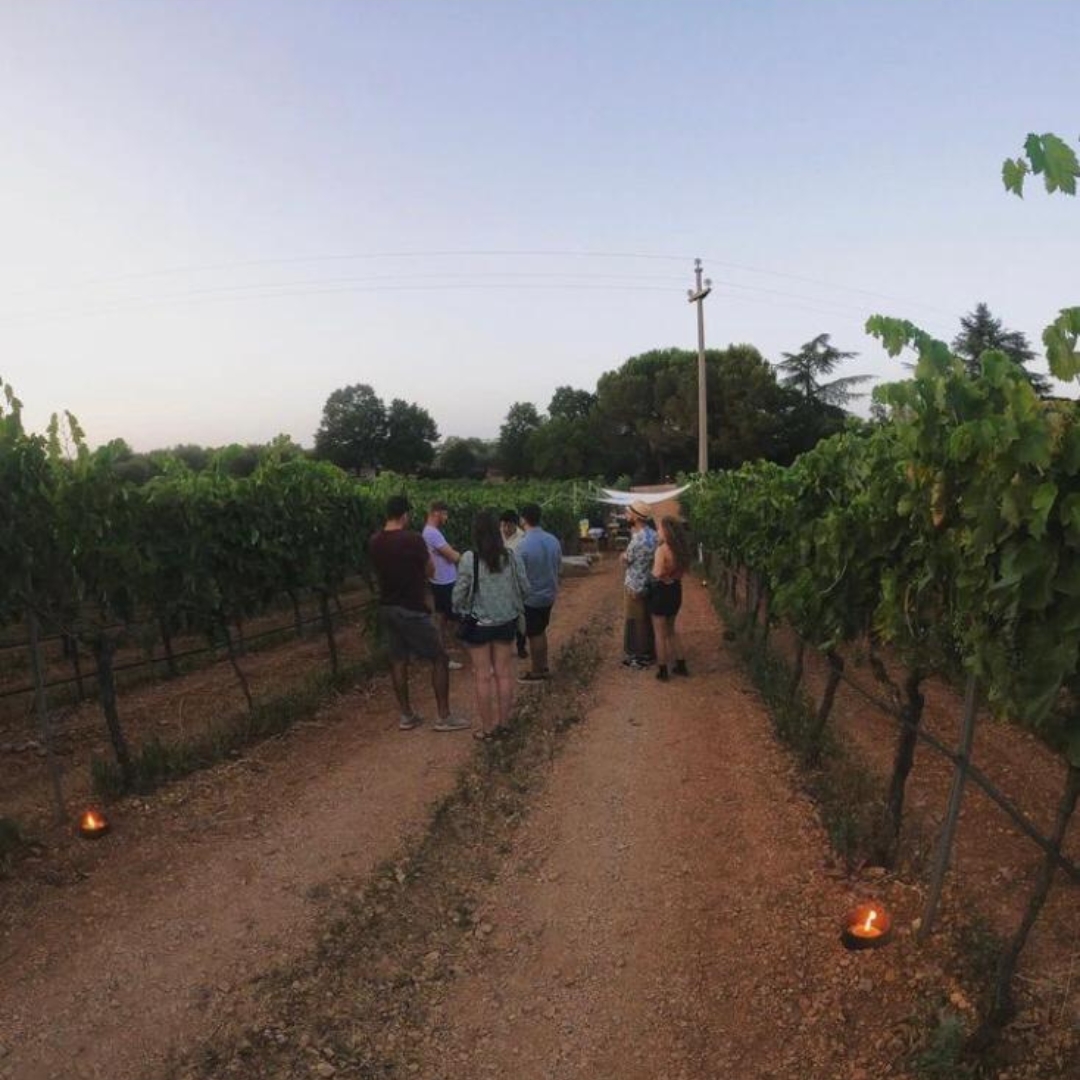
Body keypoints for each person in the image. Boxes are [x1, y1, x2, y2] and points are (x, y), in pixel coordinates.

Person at [368, 495, 469, 732]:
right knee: (439, 658)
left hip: (387, 607)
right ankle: (444, 717)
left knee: (398, 660)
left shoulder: (374, 541)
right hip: (412, 608)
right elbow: (430, 570)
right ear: (405, 514)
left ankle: (407, 715)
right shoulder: (412, 539)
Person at [453, 511, 530, 739]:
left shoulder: (470, 559)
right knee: (504, 674)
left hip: (479, 625)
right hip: (506, 622)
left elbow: (458, 595)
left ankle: (487, 729)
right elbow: (525, 588)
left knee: (482, 676)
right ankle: (504, 725)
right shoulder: (511, 557)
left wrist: (462, 609)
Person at [516, 502, 563, 683]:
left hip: (531, 597)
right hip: (549, 594)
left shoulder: (522, 545)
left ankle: (537, 671)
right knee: (540, 630)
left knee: (534, 633)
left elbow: (519, 575)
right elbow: (559, 568)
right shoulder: (553, 540)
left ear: (523, 520)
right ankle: (542, 666)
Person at [422, 501, 464, 670]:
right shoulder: (433, 533)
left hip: (439, 580)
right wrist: (465, 558)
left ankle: (442, 655)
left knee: (441, 619)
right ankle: (478, 656)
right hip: (445, 582)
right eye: (445, 514)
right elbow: (453, 556)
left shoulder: (429, 532)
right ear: (436, 513)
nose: (446, 518)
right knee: (461, 619)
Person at [649, 515, 691, 680]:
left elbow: (657, 573)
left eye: (660, 528)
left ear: (667, 531)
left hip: (661, 592)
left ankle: (663, 670)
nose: (658, 531)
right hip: (675, 590)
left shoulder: (662, 550)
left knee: (659, 633)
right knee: (671, 630)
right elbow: (680, 573)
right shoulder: (680, 551)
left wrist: (658, 576)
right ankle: (681, 664)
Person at [621, 500, 658, 670]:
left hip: (634, 585)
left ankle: (639, 657)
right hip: (648, 583)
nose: (626, 515)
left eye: (628, 513)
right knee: (646, 619)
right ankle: (649, 652)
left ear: (636, 517)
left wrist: (623, 556)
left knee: (636, 621)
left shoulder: (637, 539)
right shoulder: (654, 535)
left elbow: (627, 559)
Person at [499, 509, 529, 659]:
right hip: (499, 580)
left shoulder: (522, 539)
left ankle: (521, 645)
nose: (505, 529)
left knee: (519, 616)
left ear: (515, 525)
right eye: (503, 525)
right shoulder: (497, 535)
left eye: (508, 526)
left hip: (515, 581)